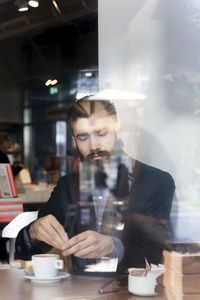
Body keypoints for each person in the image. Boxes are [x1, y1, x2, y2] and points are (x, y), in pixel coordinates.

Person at [15, 96, 175, 275]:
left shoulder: (157, 182)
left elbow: (163, 253)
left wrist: (114, 247)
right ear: (74, 142)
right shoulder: (67, 186)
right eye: (83, 137)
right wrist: (33, 232)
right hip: (80, 292)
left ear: (117, 132)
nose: (94, 145)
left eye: (101, 133)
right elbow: (25, 252)